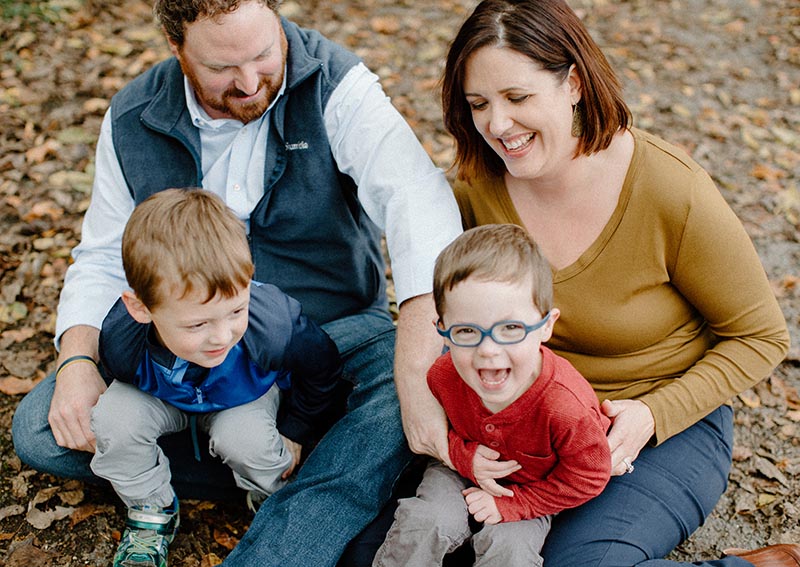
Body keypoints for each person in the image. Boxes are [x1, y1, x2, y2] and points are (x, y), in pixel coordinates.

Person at [11, 0, 463, 565]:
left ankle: (283, 525)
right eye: (224, 67)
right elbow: (104, 257)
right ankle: (314, 468)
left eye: (263, 54)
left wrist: (417, 365)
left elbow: (418, 204)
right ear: (177, 49)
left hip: (329, 336)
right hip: (181, 349)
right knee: (39, 430)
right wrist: (77, 364)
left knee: (404, 382)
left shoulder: (336, 85)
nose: (250, 82)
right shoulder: (133, 116)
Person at [438, 0, 795, 566]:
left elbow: (762, 336)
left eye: (518, 98)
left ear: (574, 84)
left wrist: (655, 413)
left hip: (656, 426)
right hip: (522, 421)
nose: (497, 125)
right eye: (478, 104)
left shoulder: (670, 191)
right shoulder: (472, 191)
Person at [92, 188, 344, 566]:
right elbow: (116, 376)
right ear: (141, 308)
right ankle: (151, 508)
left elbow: (322, 369)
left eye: (235, 311)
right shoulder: (121, 340)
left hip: (244, 392)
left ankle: (267, 494)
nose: (222, 335)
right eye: (198, 323)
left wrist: (297, 427)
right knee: (113, 417)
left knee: (249, 442)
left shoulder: (273, 325)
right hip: (163, 394)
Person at [373, 224, 611, 567]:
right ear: (443, 329)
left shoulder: (564, 407)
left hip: (533, 488)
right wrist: (462, 456)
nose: (488, 350)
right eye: (467, 331)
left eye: (510, 329)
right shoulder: (443, 375)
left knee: (510, 550)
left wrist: (516, 504)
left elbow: (590, 475)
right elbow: (443, 429)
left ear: (545, 325)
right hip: (459, 470)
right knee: (427, 520)